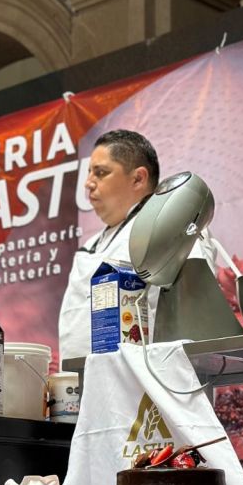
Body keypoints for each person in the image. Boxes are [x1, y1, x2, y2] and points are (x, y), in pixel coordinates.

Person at [58, 129, 160, 362]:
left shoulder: (165, 226)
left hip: (142, 379)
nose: (88, 184)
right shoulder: (93, 244)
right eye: (89, 173)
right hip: (83, 385)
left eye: (101, 173)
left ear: (138, 178)